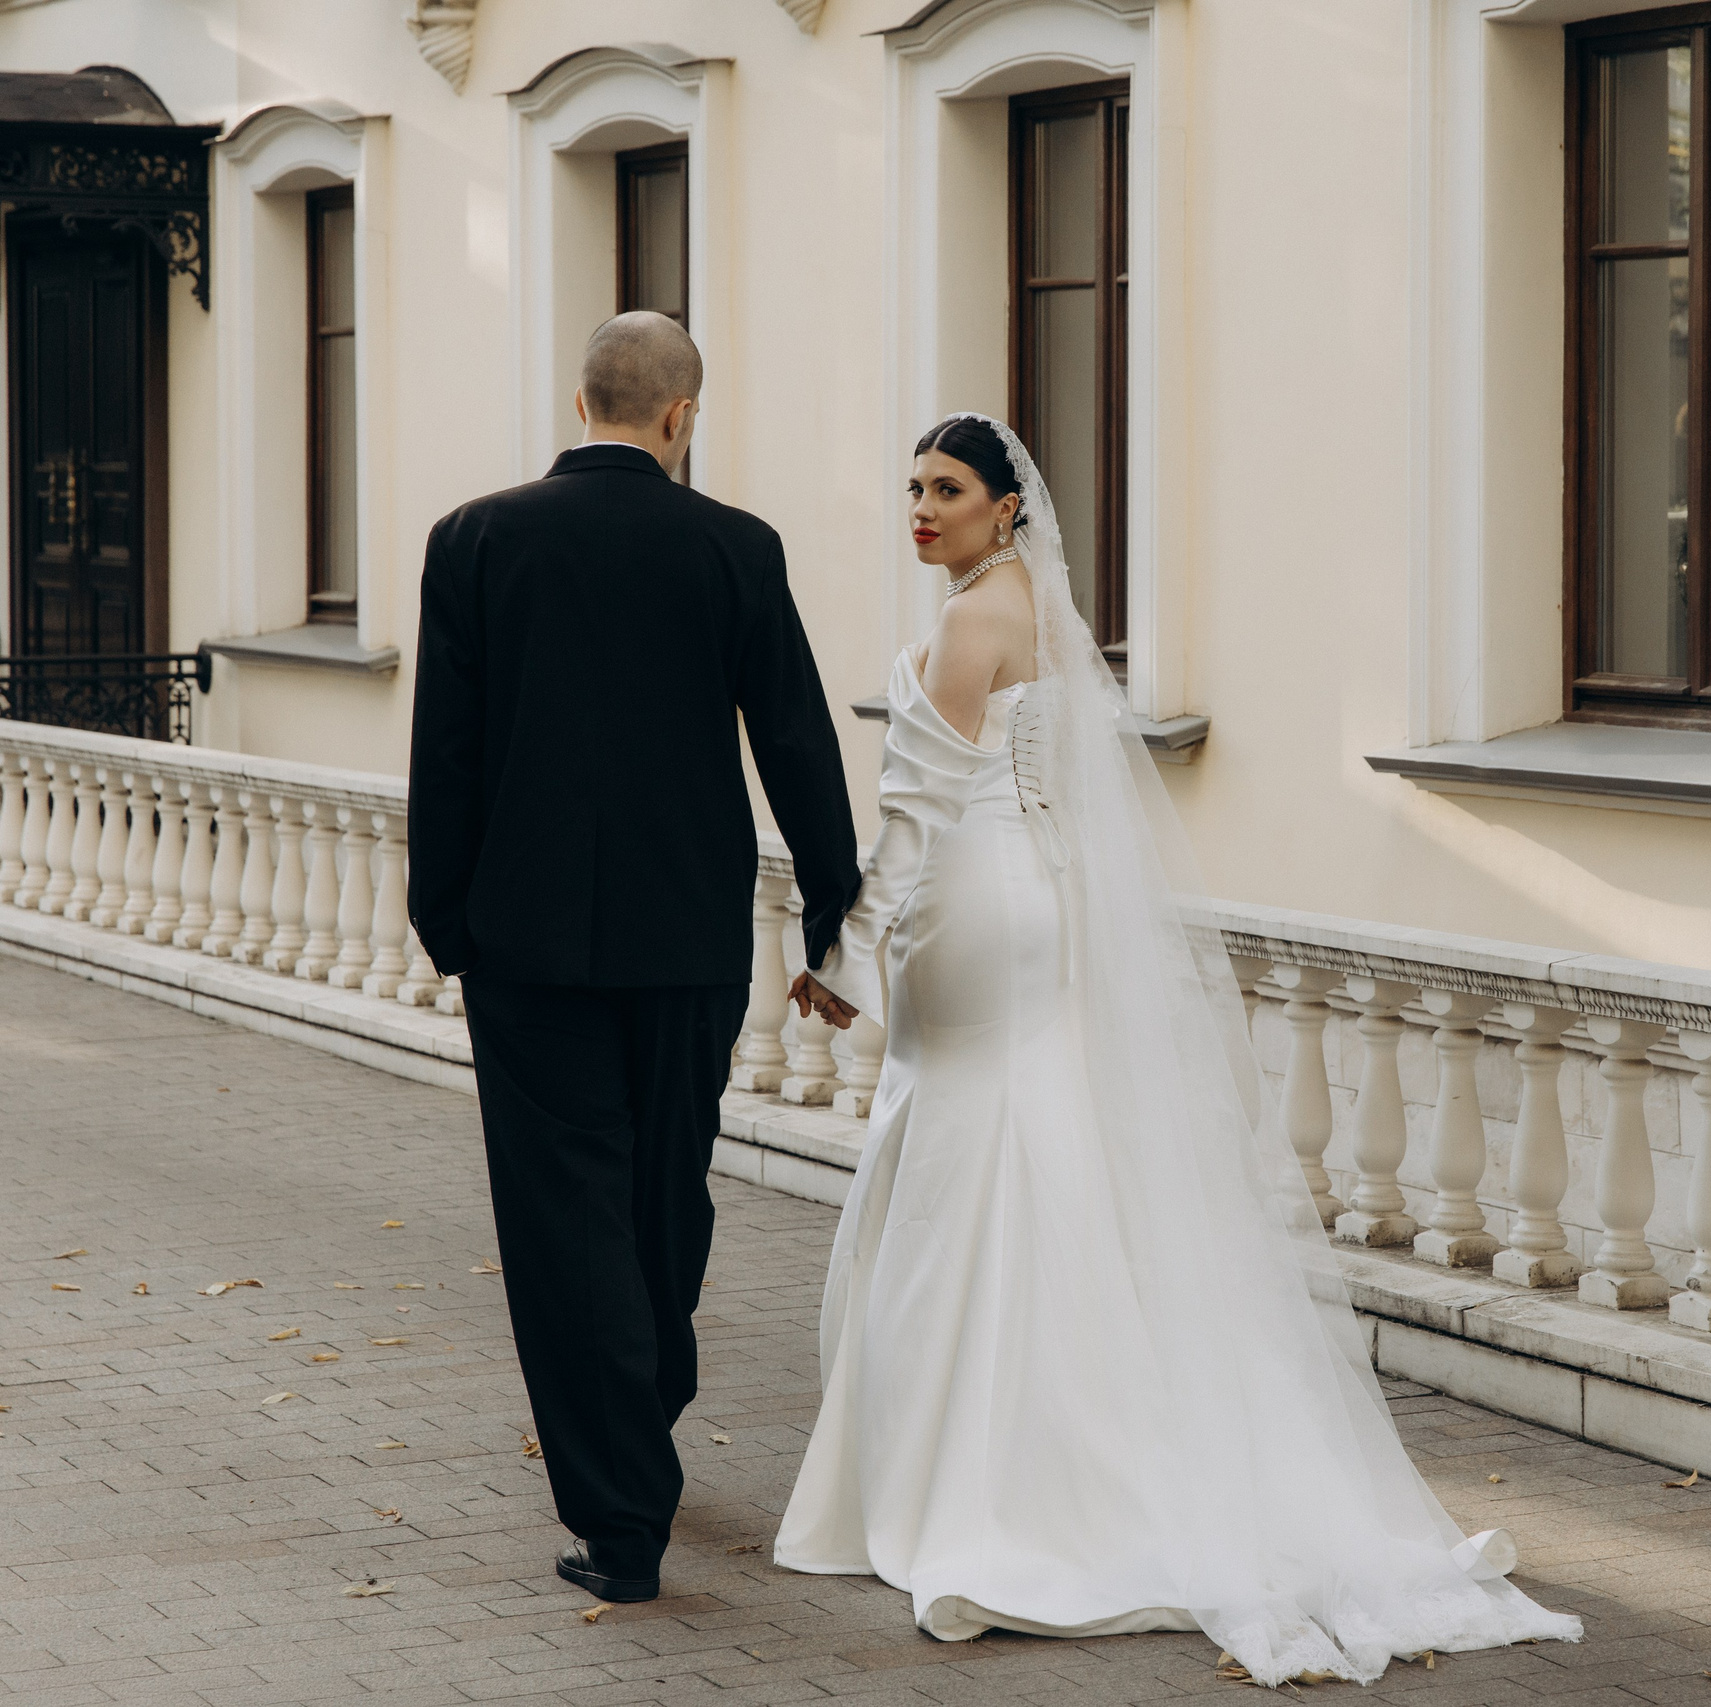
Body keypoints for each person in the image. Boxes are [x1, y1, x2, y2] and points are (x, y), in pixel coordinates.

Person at [773, 413, 1582, 1686]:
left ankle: (994, 1478)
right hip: (1038, 909)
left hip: (972, 911)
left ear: (1005, 508)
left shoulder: (971, 621)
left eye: (948, 489)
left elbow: (917, 815)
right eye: (913, 488)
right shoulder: (1035, 607)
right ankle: (1074, 1432)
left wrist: (839, 964)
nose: (922, 508)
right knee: (1031, 1133)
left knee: (961, 1139)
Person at [407, 312, 861, 1606]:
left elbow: (447, 745)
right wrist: (833, 906)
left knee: (565, 1217)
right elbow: (796, 738)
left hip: (528, 944)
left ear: (581, 400)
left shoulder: (476, 538)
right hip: (688, 940)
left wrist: (447, 916)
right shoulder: (735, 546)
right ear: (681, 415)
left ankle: (620, 1511)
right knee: (666, 1187)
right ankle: (644, 1396)